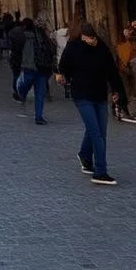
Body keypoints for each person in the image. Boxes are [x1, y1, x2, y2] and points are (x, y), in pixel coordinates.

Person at [56, 22, 125, 185]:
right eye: (88, 38)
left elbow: (112, 71)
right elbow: (63, 66)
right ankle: (100, 172)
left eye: (93, 38)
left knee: (99, 129)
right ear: (82, 36)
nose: (91, 41)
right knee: (96, 133)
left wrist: (117, 91)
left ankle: (85, 156)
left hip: (99, 94)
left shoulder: (102, 48)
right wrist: (61, 75)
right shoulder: (73, 47)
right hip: (81, 95)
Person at [14, 17, 55, 124]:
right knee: (40, 93)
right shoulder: (45, 38)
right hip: (42, 67)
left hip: (29, 66)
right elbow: (52, 51)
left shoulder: (24, 36)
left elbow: (18, 51)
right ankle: (38, 116)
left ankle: (22, 96)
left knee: (24, 85)